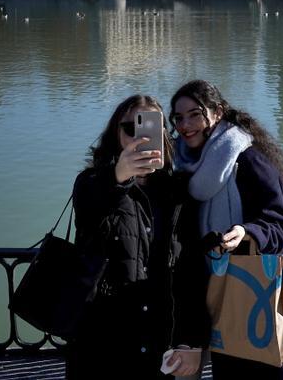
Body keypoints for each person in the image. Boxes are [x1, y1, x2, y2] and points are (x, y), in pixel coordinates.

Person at [66, 95, 208, 379]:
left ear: (163, 135)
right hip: (102, 342)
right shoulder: (92, 183)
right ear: (115, 134)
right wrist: (118, 176)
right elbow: (90, 216)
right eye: (129, 128)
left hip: (161, 343)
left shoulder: (177, 191)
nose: (137, 137)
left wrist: (191, 340)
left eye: (148, 128)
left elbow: (190, 270)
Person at [169, 80, 283, 380]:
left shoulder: (249, 160)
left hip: (255, 290)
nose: (186, 125)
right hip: (215, 290)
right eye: (178, 118)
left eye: (195, 114)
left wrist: (248, 232)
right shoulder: (179, 165)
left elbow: (278, 224)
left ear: (217, 112)